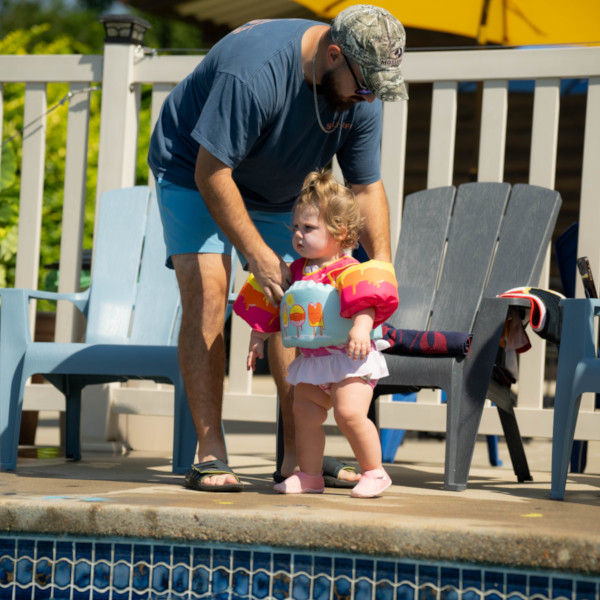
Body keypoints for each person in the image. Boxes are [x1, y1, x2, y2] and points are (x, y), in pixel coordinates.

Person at [147, 4, 408, 492]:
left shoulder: (360, 94)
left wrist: (383, 267)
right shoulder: (254, 73)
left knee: (302, 296)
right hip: (194, 169)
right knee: (209, 291)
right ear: (334, 55)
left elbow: (367, 187)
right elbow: (211, 173)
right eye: (364, 85)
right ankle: (210, 452)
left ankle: (298, 459)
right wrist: (257, 255)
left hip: (279, 188)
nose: (368, 97)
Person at [234, 170, 399, 498]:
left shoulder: (349, 270)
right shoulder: (295, 271)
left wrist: (361, 328)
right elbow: (276, 306)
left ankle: (375, 472)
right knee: (304, 415)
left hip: (349, 359)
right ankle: (310, 475)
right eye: (295, 227)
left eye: (308, 228)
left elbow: (366, 302)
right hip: (313, 362)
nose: (298, 235)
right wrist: (258, 336)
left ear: (340, 232)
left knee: (349, 413)